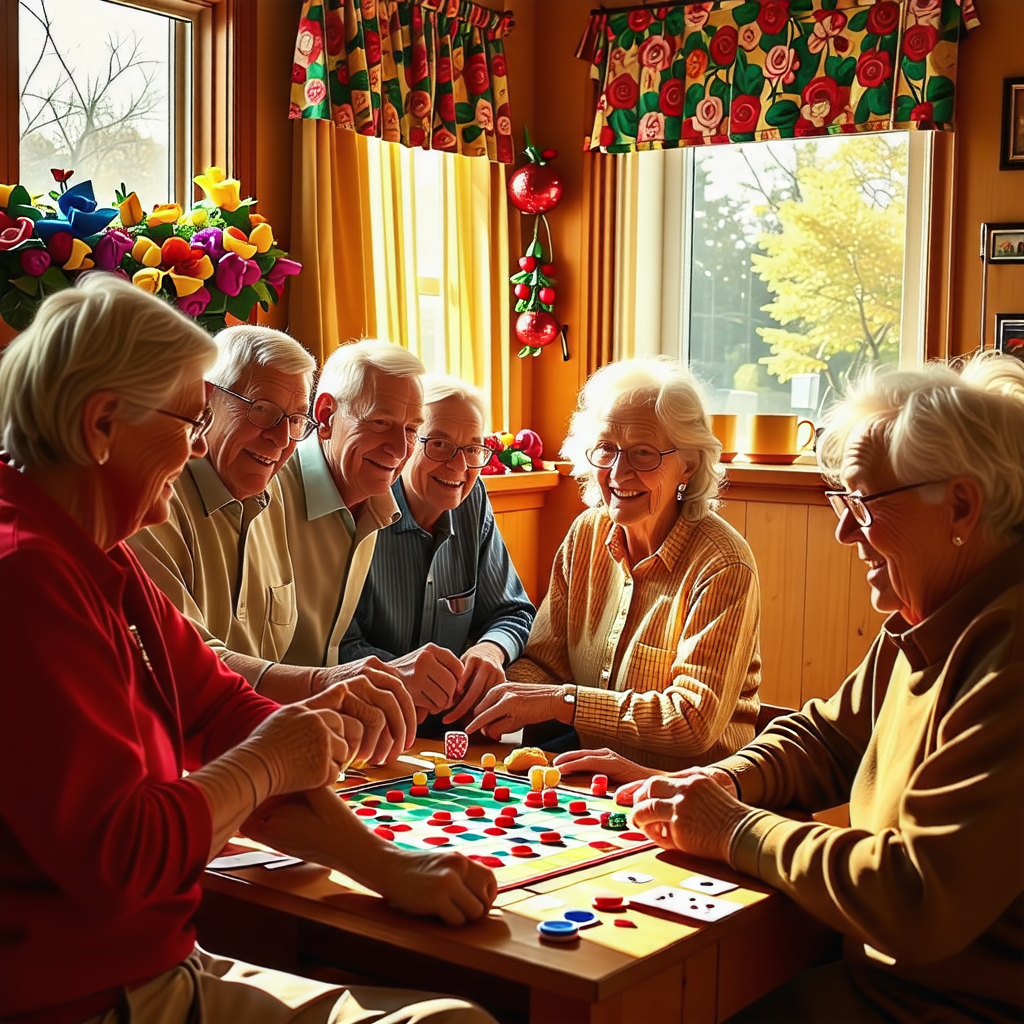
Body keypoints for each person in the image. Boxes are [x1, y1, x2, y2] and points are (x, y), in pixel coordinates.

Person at [0, 276, 497, 1024]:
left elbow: (226, 711)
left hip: (159, 963)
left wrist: (390, 867)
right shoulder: (26, 574)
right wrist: (270, 759)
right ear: (102, 425)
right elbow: (125, 857)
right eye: (188, 420)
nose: (197, 445)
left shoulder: (99, 549)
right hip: (81, 996)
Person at [627, 352, 1024, 1023]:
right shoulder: (931, 615)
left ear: (961, 505)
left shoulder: (1009, 654)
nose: (842, 530)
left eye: (862, 501)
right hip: (879, 978)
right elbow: (828, 739)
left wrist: (733, 829)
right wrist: (726, 782)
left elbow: (917, 894)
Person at [128, 326, 414, 758]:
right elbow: (183, 664)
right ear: (206, 399)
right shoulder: (156, 497)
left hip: (251, 753)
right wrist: (320, 686)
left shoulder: (269, 498)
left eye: (295, 421)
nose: (281, 439)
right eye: (262, 410)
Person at [466, 356, 762, 773]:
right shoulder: (585, 535)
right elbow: (547, 663)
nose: (619, 472)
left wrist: (562, 702)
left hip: (692, 798)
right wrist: (498, 693)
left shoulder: (723, 564)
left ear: (689, 465)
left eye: (643, 453)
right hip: (590, 783)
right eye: (606, 449)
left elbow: (693, 721)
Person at [279, 342, 468, 724]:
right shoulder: (269, 488)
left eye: (412, 430)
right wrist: (394, 673)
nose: (400, 448)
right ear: (326, 415)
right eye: (380, 422)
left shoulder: (374, 500)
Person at [338, 375, 535, 733]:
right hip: (368, 724)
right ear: (407, 444)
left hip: (457, 732)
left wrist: (490, 650)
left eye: (473, 449)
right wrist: (403, 674)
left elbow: (513, 611)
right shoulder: (361, 507)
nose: (459, 467)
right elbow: (336, 646)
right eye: (440, 444)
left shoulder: (472, 501)